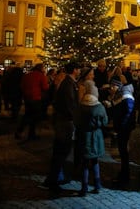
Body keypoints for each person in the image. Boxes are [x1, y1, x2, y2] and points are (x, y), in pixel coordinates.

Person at [42, 61, 82, 196]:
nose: (80, 71)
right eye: (78, 69)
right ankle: (53, 181)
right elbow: (70, 105)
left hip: (63, 122)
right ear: (75, 70)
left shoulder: (68, 83)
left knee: (60, 151)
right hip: (65, 123)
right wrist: (75, 120)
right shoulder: (68, 84)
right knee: (61, 151)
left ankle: (52, 179)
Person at [73, 72, 108, 196]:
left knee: (84, 163)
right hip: (96, 136)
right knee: (95, 161)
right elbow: (105, 122)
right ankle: (97, 185)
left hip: (83, 136)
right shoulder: (99, 107)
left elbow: (76, 121)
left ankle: (84, 188)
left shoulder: (81, 106)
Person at [107, 78, 136, 189]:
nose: (111, 88)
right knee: (122, 150)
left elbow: (129, 112)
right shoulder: (120, 94)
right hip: (122, 128)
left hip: (124, 128)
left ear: (118, 86)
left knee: (123, 151)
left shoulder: (126, 95)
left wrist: (123, 126)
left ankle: (125, 175)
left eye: (112, 86)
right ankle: (124, 173)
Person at [15, 63, 49, 140]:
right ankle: (31, 134)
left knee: (27, 115)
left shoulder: (27, 75)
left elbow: (22, 86)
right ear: (41, 69)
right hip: (36, 98)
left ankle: (20, 131)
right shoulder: (41, 76)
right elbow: (45, 87)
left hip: (27, 98)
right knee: (34, 117)